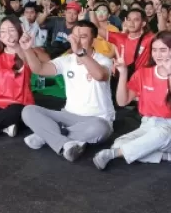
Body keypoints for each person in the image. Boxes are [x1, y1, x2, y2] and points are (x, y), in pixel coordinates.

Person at [92, 31, 171, 170]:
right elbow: (122, 102)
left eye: (163, 50)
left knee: (161, 134)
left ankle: (113, 154)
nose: (158, 55)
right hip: (148, 125)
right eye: (154, 50)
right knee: (119, 142)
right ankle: (168, 157)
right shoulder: (143, 73)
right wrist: (123, 73)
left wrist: (170, 72)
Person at [20, 21, 114, 162]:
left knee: (101, 129)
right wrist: (27, 50)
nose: (77, 40)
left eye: (83, 36)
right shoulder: (66, 60)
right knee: (28, 111)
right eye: (74, 36)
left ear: (93, 40)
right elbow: (39, 69)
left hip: (97, 119)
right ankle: (66, 143)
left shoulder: (103, 60)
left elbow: (100, 76)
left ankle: (49, 135)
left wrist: (80, 53)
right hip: (67, 116)